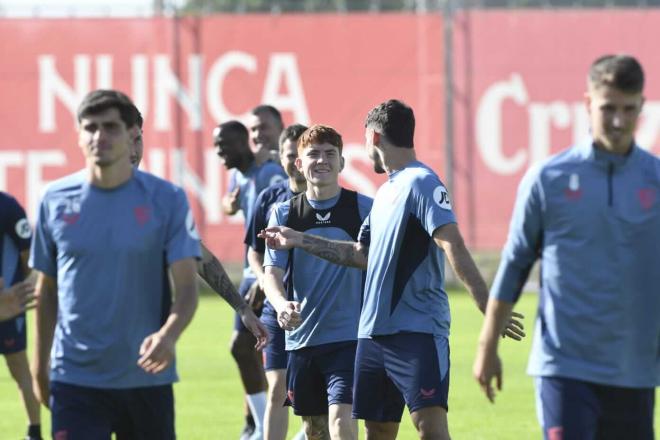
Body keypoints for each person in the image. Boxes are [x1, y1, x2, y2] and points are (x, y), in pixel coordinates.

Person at [260, 100, 524, 440]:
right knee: (378, 430)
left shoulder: (423, 182)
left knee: (430, 426)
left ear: (373, 137)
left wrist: (490, 309)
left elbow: (452, 245)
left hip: (415, 330)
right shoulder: (385, 192)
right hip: (371, 336)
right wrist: (299, 239)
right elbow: (361, 255)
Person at [473, 54, 659, 440]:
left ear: (642, 105)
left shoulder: (655, 179)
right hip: (564, 368)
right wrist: (487, 345)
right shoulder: (549, 179)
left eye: (629, 109)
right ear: (588, 103)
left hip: (636, 369)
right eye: (608, 108)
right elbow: (515, 263)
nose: (619, 121)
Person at [30, 89, 201, 439]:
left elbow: (186, 288)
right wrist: (38, 367)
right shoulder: (54, 200)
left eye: (110, 127)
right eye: (90, 128)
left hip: (146, 376)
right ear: (78, 135)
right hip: (74, 378)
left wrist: (169, 336)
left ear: (131, 136)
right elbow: (46, 291)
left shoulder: (167, 199)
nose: (99, 137)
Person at [262, 124, 372, 440]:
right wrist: (282, 305)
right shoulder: (284, 213)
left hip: (352, 339)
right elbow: (272, 273)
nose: (321, 161)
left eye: (329, 154)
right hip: (303, 341)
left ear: (341, 163)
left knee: (341, 422)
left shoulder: (364, 209)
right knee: (315, 431)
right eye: (313, 154)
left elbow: (379, 263)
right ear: (299, 164)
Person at [127, 107, 268, 347]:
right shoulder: (75, 201)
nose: (133, 150)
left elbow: (201, 259)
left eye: (137, 139)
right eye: (125, 140)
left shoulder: (161, 200)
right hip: (90, 344)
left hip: (149, 340)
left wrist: (242, 308)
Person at [216, 120, 286, 440]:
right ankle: (259, 424)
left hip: (261, 274)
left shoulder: (269, 173)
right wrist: (228, 203)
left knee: (254, 349)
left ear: (244, 143)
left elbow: (270, 226)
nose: (220, 152)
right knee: (245, 349)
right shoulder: (238, 174)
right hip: (250, 273)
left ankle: (264, 425)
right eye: (217, 146)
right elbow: (230, 203)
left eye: (225, 145)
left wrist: (265, 274)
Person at [244, 124, 309, 440]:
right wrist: (264, 280)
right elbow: (254, 253)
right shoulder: (270, 198)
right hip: (276, 308)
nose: (295, 160)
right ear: (279, 157)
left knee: (320, 396)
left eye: (302, 153)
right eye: (289, 154)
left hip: (320, 308)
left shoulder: (329, 199)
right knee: (278, 389)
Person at [0, 191, 42, 440]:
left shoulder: (8, 207)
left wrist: (21, 291)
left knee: (19, 369)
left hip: (9, 306)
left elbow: (30, 260)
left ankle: (34, 431)